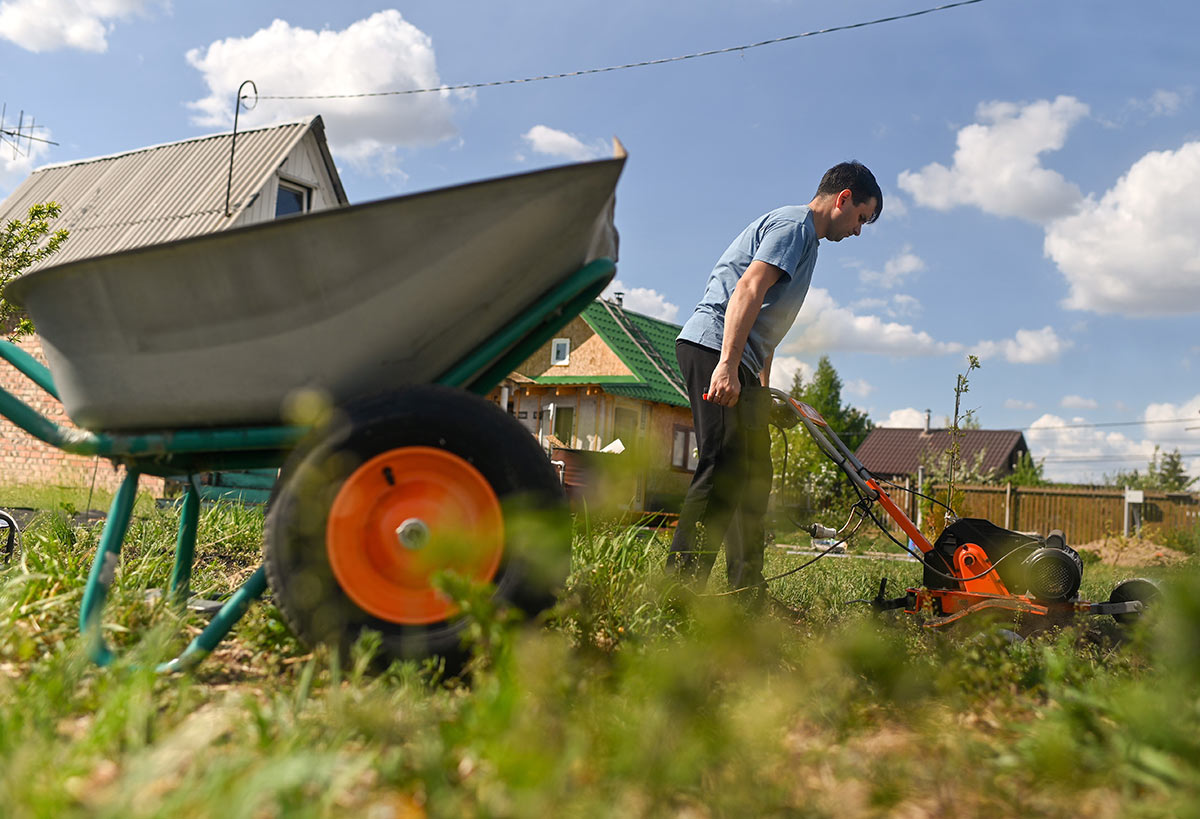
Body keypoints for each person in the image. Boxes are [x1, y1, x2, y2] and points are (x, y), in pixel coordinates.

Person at [668, 161, 882, 602]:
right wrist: (726, 366)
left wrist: (761, 394)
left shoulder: (809, 244)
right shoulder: (794, 226)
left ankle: (747, 593)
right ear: (843, 198)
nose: (859, 231)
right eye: (861, 218)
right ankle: (677, 594)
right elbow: (748, 289)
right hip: (713, 347)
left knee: (754, 474)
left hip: (740, 358)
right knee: (723, 466)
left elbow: (768, 326)